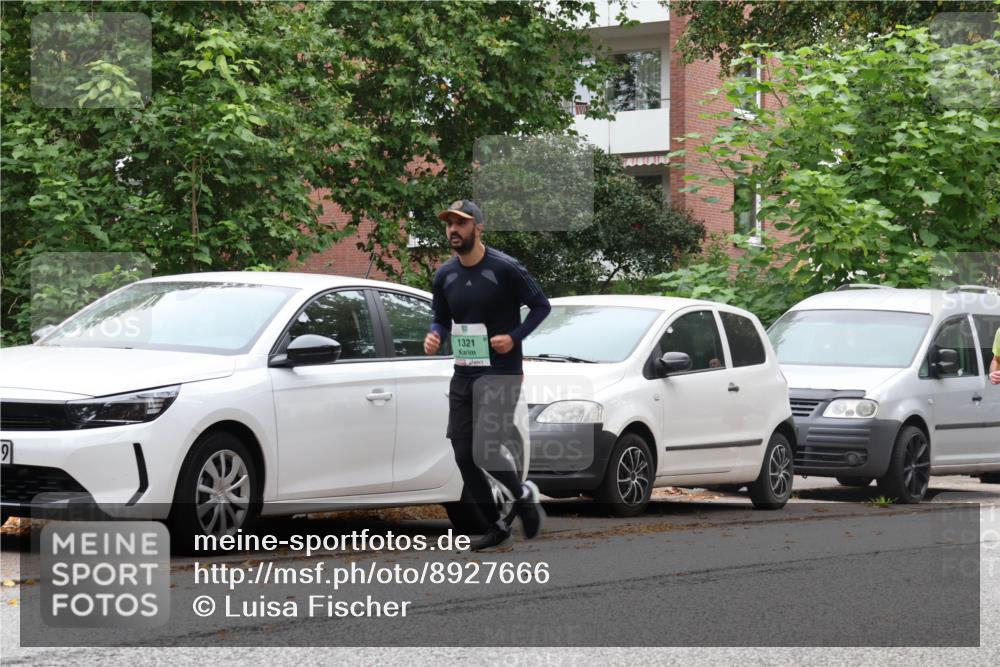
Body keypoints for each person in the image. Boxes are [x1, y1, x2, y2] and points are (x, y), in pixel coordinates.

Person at [423, 199, 552, 551]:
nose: (453, 229)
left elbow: (542, 306)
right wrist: (435, 334)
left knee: (486, 449)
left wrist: (514, 337)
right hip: (464, 372)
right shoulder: (444, 275)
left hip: (502, 373)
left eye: (461, 223)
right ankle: (497, 525)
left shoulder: (505, 268)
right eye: (449, 223)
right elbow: (441, 317)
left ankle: (523, 495)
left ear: (478, 227)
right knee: (463, 453)